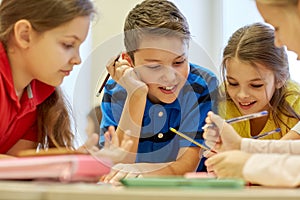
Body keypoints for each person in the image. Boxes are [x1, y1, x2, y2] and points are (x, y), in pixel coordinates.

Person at [99, 0, 218, 184]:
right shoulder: (116, 91)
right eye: (154, 66)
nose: (170, 77)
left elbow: (187, 165)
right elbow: (117, 168)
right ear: (128, 61)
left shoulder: (202, 85)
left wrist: (142, 173)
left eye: (179, 62)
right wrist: (136, 94)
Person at [203, 0, 300, 187]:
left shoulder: (293, 98)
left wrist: (247, 164)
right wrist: (240, 146)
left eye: (277, 27)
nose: (279, 41)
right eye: (232, 83)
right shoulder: (220, 99)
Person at [0, 0, 96, 156]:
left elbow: (15, 166)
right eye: (68, 44)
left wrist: (74, 160)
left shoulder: (39, 94)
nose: (78, 59)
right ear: (24, 35)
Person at [218, 22, 300, 140]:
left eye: (256, 85)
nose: (242, 95)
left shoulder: (295, 103)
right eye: (233, 83)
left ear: (281, 78)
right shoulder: (219, 101)